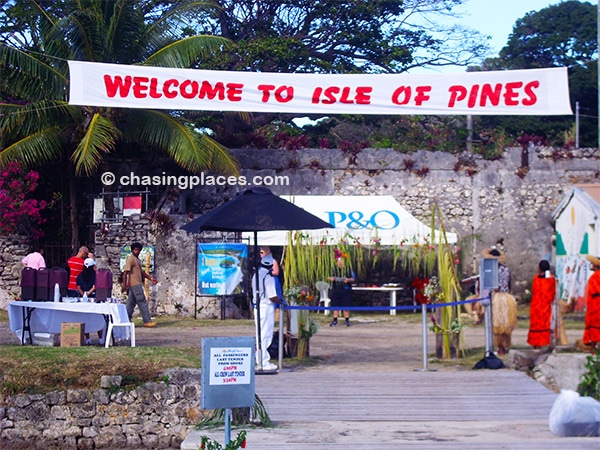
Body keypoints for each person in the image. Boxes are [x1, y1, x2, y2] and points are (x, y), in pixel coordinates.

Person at [482, 246, 517, 355]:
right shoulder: (506, 269)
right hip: (507, 297)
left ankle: (500, 348)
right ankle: (503, 346)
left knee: (498, 324)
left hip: (497, 298)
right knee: (505, 323)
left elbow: (490, 285)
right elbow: (509, 283)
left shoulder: (491, 270)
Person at [252, 253, 280, 371]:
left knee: (259, 333)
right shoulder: (268, 278)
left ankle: (259, 359)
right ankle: (263, 361)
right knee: (266, 334)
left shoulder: (256, 275)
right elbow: (272, 296)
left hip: (257, 306)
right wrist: (281, 301)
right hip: (266, 306)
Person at [122, 242, 158, 328]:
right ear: (132, 250)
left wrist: (150, 278)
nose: (137, 251)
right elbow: (125, 272)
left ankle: (125, 320)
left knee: (131, 303)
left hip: (136, 283)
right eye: (135, 249)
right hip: (134, 284)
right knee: (142, 301)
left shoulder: (137, 260)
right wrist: (124, 284)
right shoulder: (130, 259)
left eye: (138, 250)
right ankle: (147, 321)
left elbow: (141, 272)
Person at [527, 260, 556, 349]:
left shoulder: (536, 279)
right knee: (545, 325)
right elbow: (553, 293)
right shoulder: (551, 279)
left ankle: (536, 345)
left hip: (536, 306)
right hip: (545, 306)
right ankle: (545, 343)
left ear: (539, 268)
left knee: (536, 326)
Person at [329, 254, 355, 327]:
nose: (340, 264)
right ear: (337, 263)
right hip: (336, 290)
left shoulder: (348, 269)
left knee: (346, 305)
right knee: (335, 305)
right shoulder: (333, 269)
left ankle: (347, 320)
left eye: (341, 263)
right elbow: (328, 276)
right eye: (339, 263)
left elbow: (353, 278)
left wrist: (348, 280)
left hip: (345, 290)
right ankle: (335, 320)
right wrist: (331, 279)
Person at [583, 254, 600, 350]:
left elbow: (593, 292)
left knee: (594, 329)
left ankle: (593, 349)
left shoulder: (594, 277)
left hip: (595, 306)